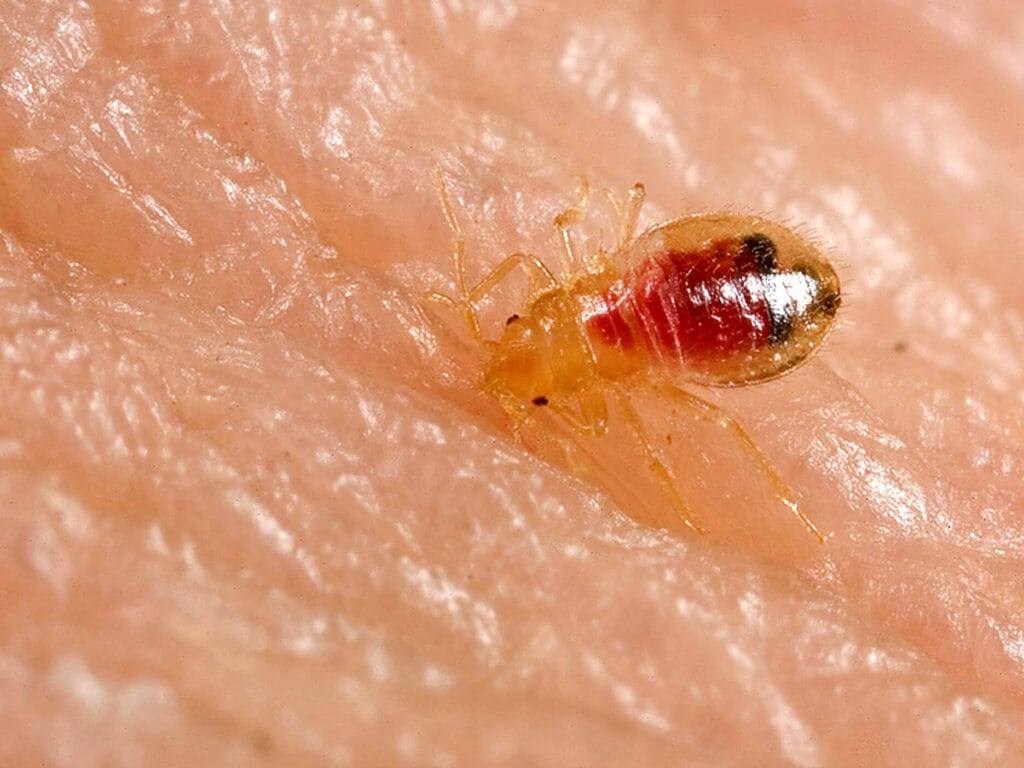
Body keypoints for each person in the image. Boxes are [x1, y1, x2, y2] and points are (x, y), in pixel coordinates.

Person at [2, 1, 1022, 764]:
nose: (520, 363)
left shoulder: (594, 308)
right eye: (533, 371)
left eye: (529, 370)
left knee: (682, 425)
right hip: (698, 298)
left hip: (707, 302)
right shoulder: (590, 299)